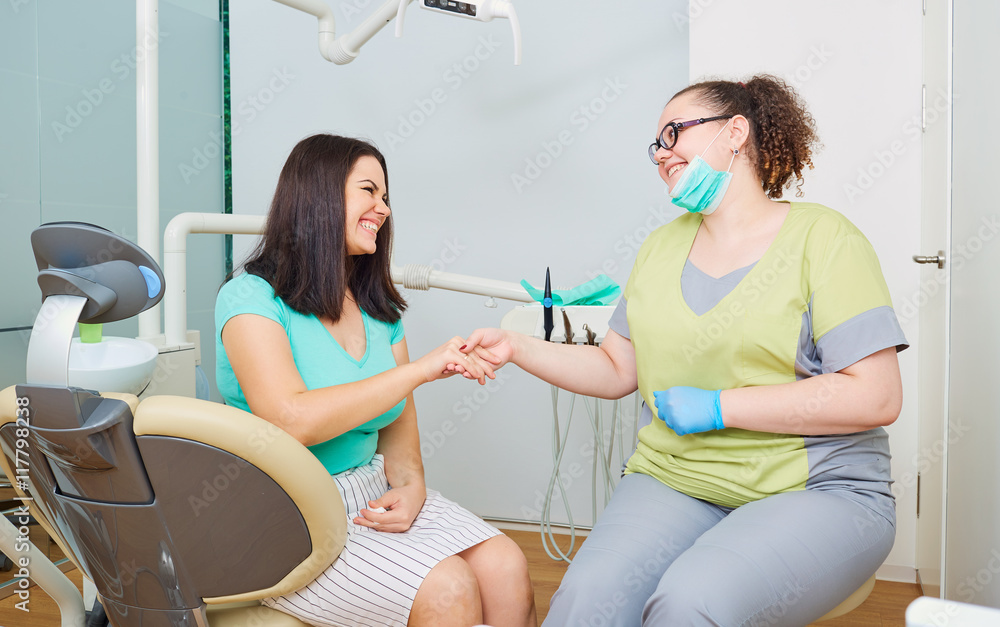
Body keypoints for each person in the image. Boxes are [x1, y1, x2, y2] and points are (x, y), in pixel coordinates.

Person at [461, 75, 908, 626]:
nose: (662, 154)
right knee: (585, 604)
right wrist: (516, 347)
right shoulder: (661, 246)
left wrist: (720, 407)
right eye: (656, 144)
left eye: (674, 133)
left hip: (816, 487)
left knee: (690, 603)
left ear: (735, 133)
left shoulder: (826, 240)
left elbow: (878, 396)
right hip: (677, 477)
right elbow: (615, 367)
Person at [215, 133, 535, 627]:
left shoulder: (378, 311)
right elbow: (291, 419)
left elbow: (400, 446)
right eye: (369, 191)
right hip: (284, 513)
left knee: (506, 566)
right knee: (449, 587)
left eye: (386, 196)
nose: (383, 208)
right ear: (318, 197)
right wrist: (420, 370)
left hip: (368, 495)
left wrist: (412, 488)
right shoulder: (250, 299)